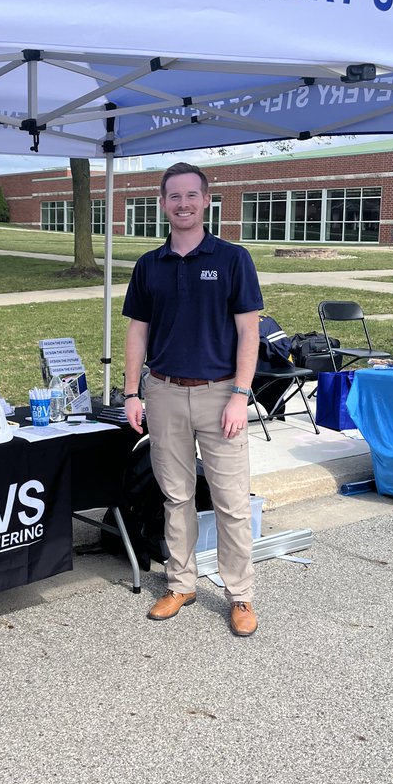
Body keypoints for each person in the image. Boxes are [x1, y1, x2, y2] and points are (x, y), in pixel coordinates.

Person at [122, 163, 263, 637]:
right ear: (162, 204)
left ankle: (239, 594)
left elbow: (249, 332)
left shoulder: (232, 258)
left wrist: (240, 396)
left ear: (206, 201)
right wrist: (131, 392)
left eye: (191, 195)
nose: (182, 203)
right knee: (175, 495)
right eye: (173, 196)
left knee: (230, 501)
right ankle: (180, 583)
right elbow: (137, 332)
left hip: (221, 395)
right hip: (162, 393)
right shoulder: (148, 265)